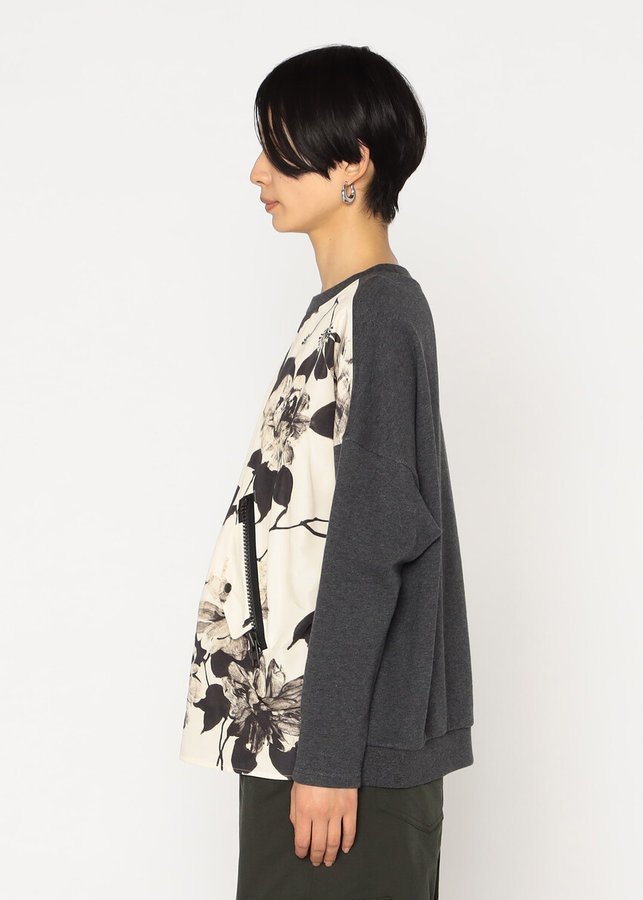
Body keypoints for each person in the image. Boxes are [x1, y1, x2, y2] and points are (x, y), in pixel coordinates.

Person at [179, 44, 474, 899]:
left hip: (341, 755)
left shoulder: (380, 311)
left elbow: (374, 543)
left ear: (352, 163)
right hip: (301, 743)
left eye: (279, 148)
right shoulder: (336, 314)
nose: (257, 172)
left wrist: (332, 757)